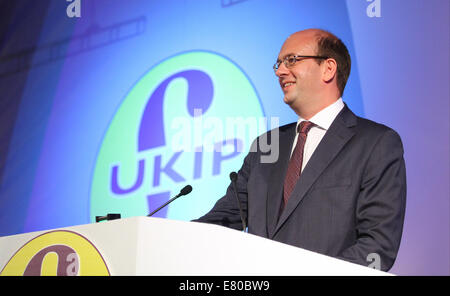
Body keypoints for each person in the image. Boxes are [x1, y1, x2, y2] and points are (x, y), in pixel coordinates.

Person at [193, 29, 406, 272]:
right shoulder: (266, 145)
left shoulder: (376, 144)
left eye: (291, 60)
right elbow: (221, 220)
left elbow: (376, 247)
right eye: (279, 63)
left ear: (328, 68)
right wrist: (164, 238)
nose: (279, 71)